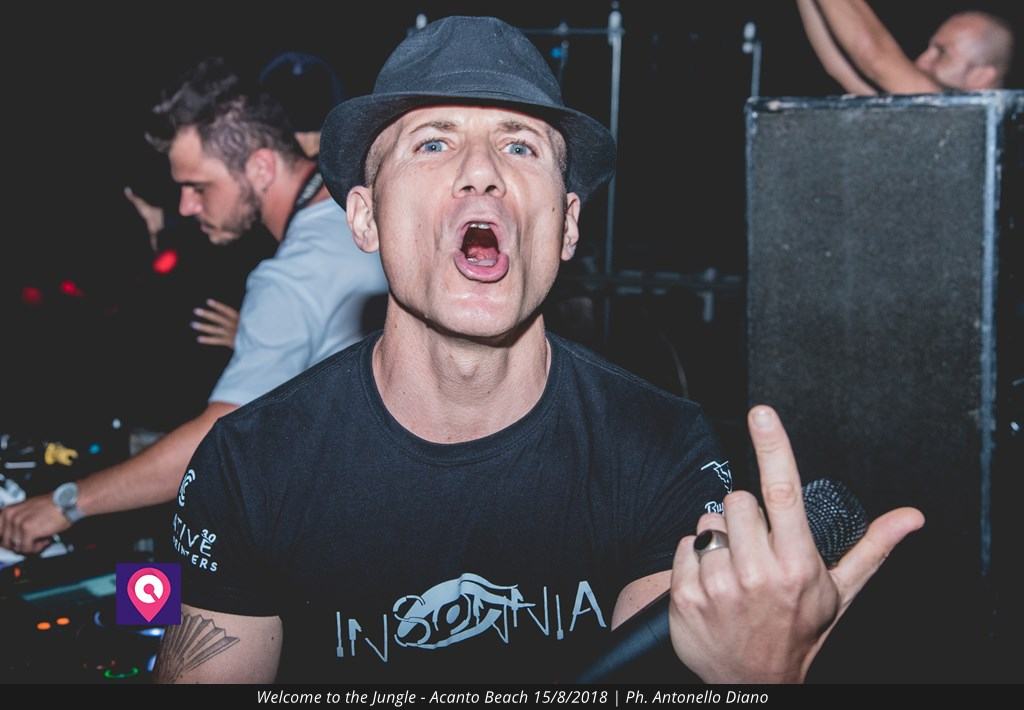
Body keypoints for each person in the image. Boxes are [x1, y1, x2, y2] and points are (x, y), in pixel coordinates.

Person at [156, 17, 923, 683]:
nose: (481, 171)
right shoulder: (249, 464)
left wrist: (747, 681)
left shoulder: (661, 451)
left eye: (520, 146)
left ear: (566, 226)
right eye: (433, 141)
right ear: (365, 218)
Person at [0, 58, 387, 554]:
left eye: (198, 187)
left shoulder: (289, 279)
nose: (186, 205)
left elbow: (217, 441)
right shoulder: (354, 210)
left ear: (261, 167)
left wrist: (64, 504)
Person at [798, 0, 1014, 94]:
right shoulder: (930, 115)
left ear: (981, 77)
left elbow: (873, 56)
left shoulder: (966, 122)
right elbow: (839, 67)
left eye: (942, 53)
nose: (922, 60)